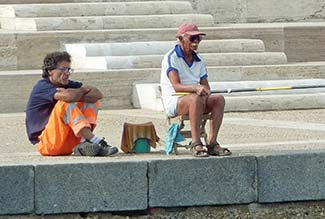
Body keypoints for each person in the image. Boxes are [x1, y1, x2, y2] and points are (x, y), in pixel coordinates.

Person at [25, 51, 118, 156]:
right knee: (65, 103)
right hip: (48, 143)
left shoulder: (67, 84)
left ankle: (84, 143)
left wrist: (78, 92)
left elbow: (98, 94)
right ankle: (96, 141)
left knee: (90, 102)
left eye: (68, 69)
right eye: (63, 69)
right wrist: (81, 91)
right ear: (50, 71)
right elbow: (69, 98)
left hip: (67, 142)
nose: (67, 73)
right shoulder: (42, 87)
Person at [160, 23, 231, 157]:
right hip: (175, 100)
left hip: (196, 99)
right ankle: (196, 142)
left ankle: (212, 142)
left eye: (198, 39)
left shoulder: (199, 60)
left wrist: (205, 92)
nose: (196, 42)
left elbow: (206, 86)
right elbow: (176, 86)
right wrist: (196, 88)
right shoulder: (171, 57)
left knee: (218, 99)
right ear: (181, 39)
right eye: (192, 39)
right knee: (195, 99)